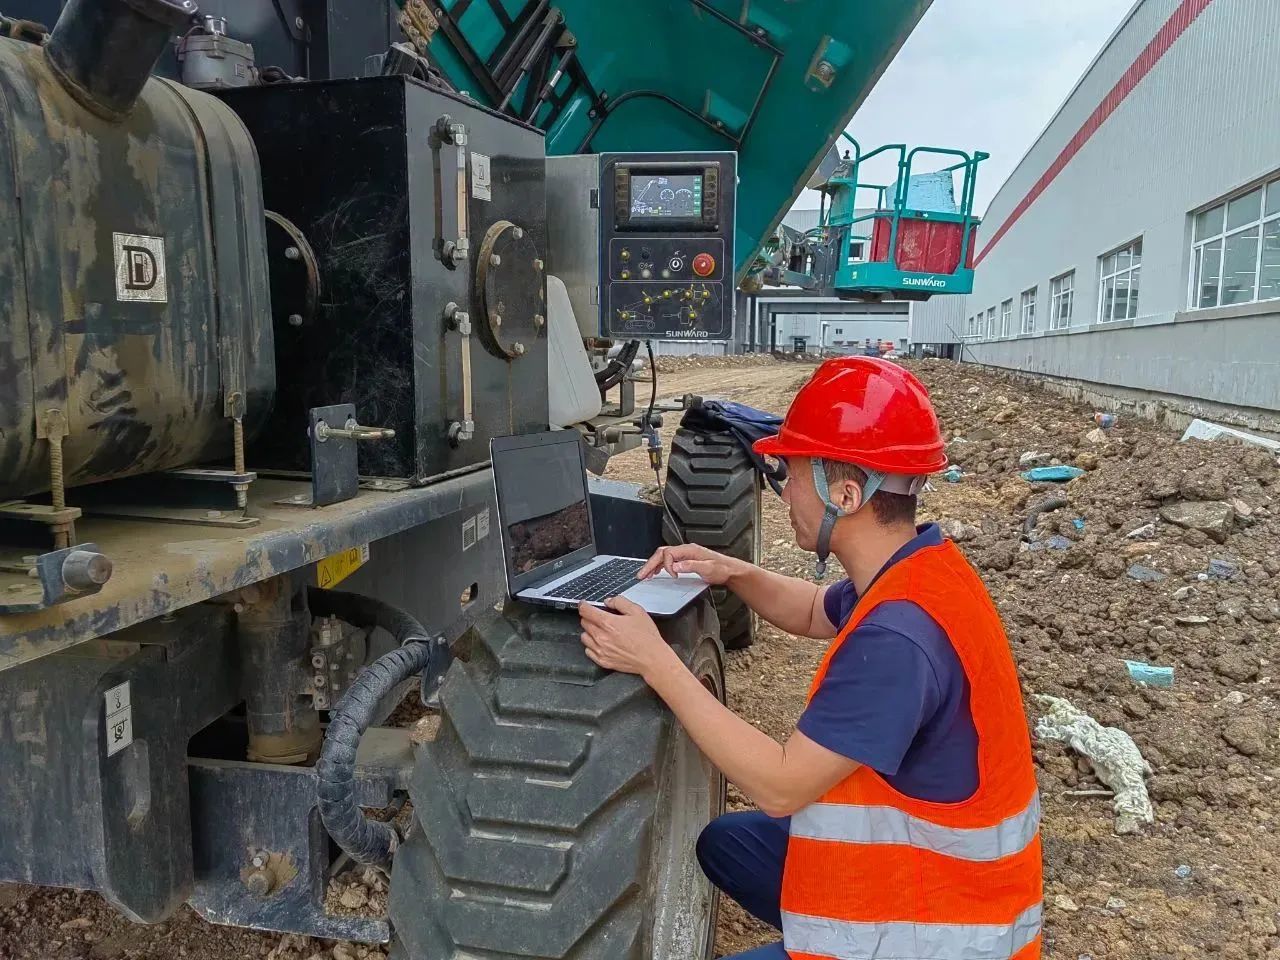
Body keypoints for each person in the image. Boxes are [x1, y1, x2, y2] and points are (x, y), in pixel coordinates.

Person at [578, 357, 1042, 960]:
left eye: (789, 473)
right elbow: (816, 610)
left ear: (844, 493)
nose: (783, 489)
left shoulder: (897, 639)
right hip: (943, 878)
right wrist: (733, 570)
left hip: (942, 936)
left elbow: (779, 784)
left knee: (762, 824)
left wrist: (654, 659)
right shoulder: (918, 573)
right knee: (726, 844)